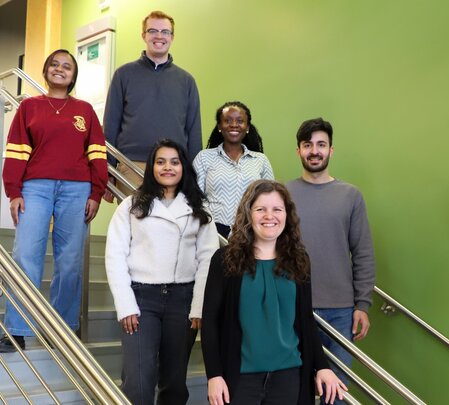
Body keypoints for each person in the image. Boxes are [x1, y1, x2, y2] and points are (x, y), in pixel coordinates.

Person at [0, 49, 108, 353]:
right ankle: (17, 329)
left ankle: (61, 329)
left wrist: (96, 192)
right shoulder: (29, 107)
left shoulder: (84, 110)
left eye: (66, 66)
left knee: (69, 262)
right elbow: (16, 151)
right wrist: (14, 192)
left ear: (73, 75)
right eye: (54, 65)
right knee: (25, 256)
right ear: (46, 71)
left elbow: (97, 153)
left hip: (77, 190)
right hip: (35, 188)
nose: (60, 69)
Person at [202, 180, 347, 405]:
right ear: (248, 214)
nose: (270, 216)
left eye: (277, 209)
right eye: (261, 209)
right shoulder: (224, 260)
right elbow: (210, 322)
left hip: (290, 375)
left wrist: (322, 366)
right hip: (240, 378)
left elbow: (305, 320)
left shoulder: (299, 261)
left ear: (287, 215)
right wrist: (214, 375)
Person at [105, 139, 219, 405]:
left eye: (175, 162)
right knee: (138, 381)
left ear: (184, 168)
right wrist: (125, 305)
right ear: (152, 168)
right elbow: (115, 256)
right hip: (141, 300)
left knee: (175, 381)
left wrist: (198, 307)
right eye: (160, 161)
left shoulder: (199, 211)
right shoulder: (131, 206)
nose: (168, 167)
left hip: (183, 301)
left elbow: (208, 261)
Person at [286, 118, 376, 403]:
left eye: (321, 144)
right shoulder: (282, 194)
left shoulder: (350, 196)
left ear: (331, 150)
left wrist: (362, 304)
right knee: (295, 390)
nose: (314, 150)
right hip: (293, 308)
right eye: (308, 145)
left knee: (335, 396)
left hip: (341, 312)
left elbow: (362, 252)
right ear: (298, 151)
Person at [103, 10, 201, 201]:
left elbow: (194, 131)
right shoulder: (123, 75)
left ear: (172, 37)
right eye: (153, 31)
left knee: (170, 228)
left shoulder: (186, 80)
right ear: (144, 35)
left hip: (173, 167)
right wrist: (108, 170)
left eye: (165, 32)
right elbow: (111, 126)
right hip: (131, 165)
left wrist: (193, 173)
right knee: (135, 225)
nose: (159, 36)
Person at [192, 101, 274, 237]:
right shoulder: (204, 158)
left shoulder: (261, 160)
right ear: (219, 126)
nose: (234, 124)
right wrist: (210, 227)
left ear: (247, 127)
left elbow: (269, 199)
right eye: (227, 120)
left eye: (240, 121)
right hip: (212, 232)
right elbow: (195, 197)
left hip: (251, 231)